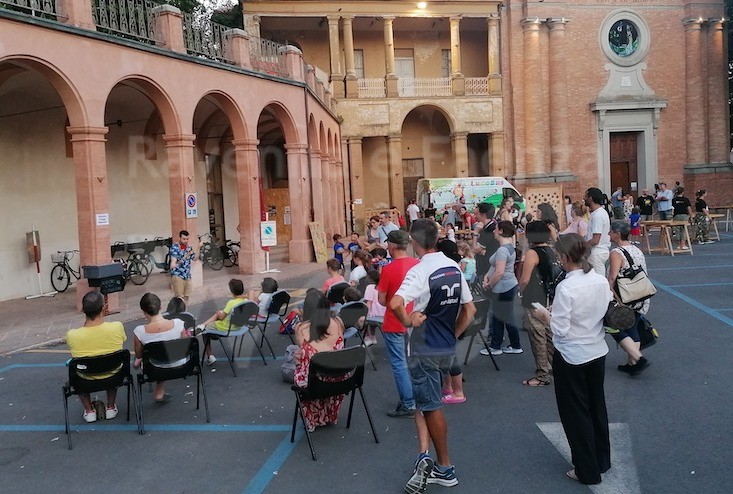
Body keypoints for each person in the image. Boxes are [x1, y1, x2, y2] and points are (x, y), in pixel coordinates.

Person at [389, 219, 476, 493]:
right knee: (424, 401)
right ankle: (423, 454)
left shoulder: (420, 270)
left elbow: (394, 303)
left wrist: (408, 321)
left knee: (431, 406)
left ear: (413, 242)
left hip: (424, 347)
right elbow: (470, 310)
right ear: (437, 239)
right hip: (445, 347)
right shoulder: (452, 266)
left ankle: (445, 467)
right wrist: (453, 335)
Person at [534, 234, 613, 485]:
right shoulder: (599, 279)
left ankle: (586, 470)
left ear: (565, 257)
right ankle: (602, 460)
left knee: (575, 413)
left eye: (559, 256)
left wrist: (546, 315)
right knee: (596, 406)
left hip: (571, 355)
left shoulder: (566, 287)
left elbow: (560, 330)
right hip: (596, 350)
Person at [65, 291, 127, 423]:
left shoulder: (72, 335)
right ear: (103, 308)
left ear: (83, 310)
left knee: (77, 370)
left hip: (85, 380)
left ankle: (89, 411)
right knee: (111, 363)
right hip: (114, 377)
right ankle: (111, 407)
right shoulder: (117, 327)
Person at [377, 229, 419, 418]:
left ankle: (408, 403)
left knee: (399, 363)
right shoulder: (417, 265)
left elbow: (382, 300)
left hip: (394, 321)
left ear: (393, 246)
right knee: (413, 360)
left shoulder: (388, 269)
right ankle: (417, 397)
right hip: (414, 317)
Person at [293, 290, 346, 433]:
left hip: (314, 383)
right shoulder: (338, 322)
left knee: (301, 367)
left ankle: (312, 419)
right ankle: (329, 414)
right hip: (340, 380)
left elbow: (303, 354)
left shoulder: (301, 328)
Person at [607, 221, 651, 375]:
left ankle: (637, 359)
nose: (609, 234)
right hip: (641, 293)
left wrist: (607, 293)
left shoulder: (616, 253)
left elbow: (612, 277)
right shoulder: (636, 250)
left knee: (611, 324)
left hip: (625, 297)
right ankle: (632, 362)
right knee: (633, 326)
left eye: (611, 231)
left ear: (617, 234)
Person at [517, 221, 556, 386]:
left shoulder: (532, 253)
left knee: (537, 336)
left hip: (534, 297)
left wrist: (520, 291)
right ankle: (557, 366)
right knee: (549, 335)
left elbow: (525, 279)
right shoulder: (551, 251)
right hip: (549, 297)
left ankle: (542, 374)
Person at [133, 293, 187, 402]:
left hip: (154, 369)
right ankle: (159, 392)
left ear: (144, 311)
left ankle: (159, 391)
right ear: (161, 306)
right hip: (180, 365)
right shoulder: (178, 324)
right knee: (163, 354)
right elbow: (185, 345)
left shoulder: (139, 331)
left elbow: (138, 355)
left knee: (156, 358)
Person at [481, 221, 523, 356]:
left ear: (500, 231)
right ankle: (513, 345)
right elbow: (496, 268)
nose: (494, 231)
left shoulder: (502, 250)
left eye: (496, 229)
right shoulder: (509, 247)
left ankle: (497, 346)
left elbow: (499, 272)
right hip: (508, 285)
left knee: (499, 317)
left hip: (503, 286)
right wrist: (488, 276)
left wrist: (489, 284)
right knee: (506, 316)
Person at [196, 278, 248, 365]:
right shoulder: (246, 301)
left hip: (226, 328)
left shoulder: (231, 303)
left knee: (205, 331)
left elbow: (221, 317)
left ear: (232, 291)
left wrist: (219, 314)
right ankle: (202, 326)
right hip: (239, 326)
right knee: (219, 313)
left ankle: (210, 355)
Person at [584, 187, 611, 276]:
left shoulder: (597, 215)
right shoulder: (599, 212)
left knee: (599, 279)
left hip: (597, 252)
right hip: (599, 251)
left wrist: (582, 244)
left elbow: (595, 240)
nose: (584, 198)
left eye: (586, 196)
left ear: (591, 198)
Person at [473, 202, 499, 282]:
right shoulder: (491, 226)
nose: (474, 216)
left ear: (483, 215)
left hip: (487, 268)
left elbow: (476, 249)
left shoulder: (489, 229)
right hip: (488, 265)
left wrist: (475, 233)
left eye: (476, 214)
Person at [169, 230, 197, 303]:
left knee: (187, 297)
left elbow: (195, 258)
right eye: (184, 239)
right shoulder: (175, 247)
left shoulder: (189, 247)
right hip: (178, 275)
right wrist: (185, 256)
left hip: (187, 275)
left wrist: (199, 248)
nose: (186, 241)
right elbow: (173, 263)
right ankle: (179, 310)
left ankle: (185, 310)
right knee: (179, 298)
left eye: (187, 239)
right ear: (180, 238)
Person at [362, 269, 385, 347]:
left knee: (365, 318)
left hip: (375, 315)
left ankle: (368, 337)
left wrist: (366, 315)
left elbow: (369, 303)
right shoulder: (383, 286)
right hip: (384, 314)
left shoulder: (369, 287)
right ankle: (372, 336)